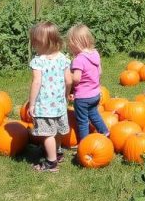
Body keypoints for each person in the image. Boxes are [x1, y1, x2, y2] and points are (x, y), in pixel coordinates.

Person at [26, 21, 72, 172]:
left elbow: (36, 82)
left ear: (41, 44)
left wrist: (32, 104)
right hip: (59, 105)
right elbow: (68, 80)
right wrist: (66, 96)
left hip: (45, 107)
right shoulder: (63, 59)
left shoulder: (38, 62)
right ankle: (57, 153)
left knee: (47, 134)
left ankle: (51, 162)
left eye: (35, 44)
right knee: (57, 131)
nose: (34, 47)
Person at [66, 24, 109, 142]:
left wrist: (68, 75)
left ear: (76, 43)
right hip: (95, 94)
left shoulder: (79, 60)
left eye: (70, 45)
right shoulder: (95, 54)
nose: (70, 48)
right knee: (94, 114)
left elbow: (76, 79)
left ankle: (84, 142)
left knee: (82, 120)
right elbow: (99, 72)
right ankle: (105, 132)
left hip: (82, 98)